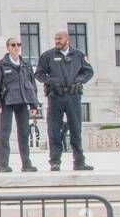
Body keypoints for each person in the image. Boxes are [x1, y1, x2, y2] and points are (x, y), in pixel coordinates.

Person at [35, 29, 95, 172]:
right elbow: (39, 73)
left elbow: (88, 71)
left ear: (67, 40)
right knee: (54, 129)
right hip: (55, 96)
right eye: (56, 39)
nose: (57, 41)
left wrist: (79, 81)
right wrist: (50, 81)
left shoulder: (79, 55)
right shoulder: (47, 55)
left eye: (60, 39)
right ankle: (55, 162)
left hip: (73, 96)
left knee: (76, 129)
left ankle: (79, 161)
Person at [0, 38, 39, 173]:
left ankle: (26, 163)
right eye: (13, 45)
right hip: (7, 102)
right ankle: (4, 164)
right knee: (4, 133)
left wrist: (34, 104)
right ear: (8, 47)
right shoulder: (2, 64)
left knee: (24, 133)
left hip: (23, 102)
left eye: (18, 45)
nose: (16, 47)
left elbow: (32, 85)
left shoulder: (25, 64)